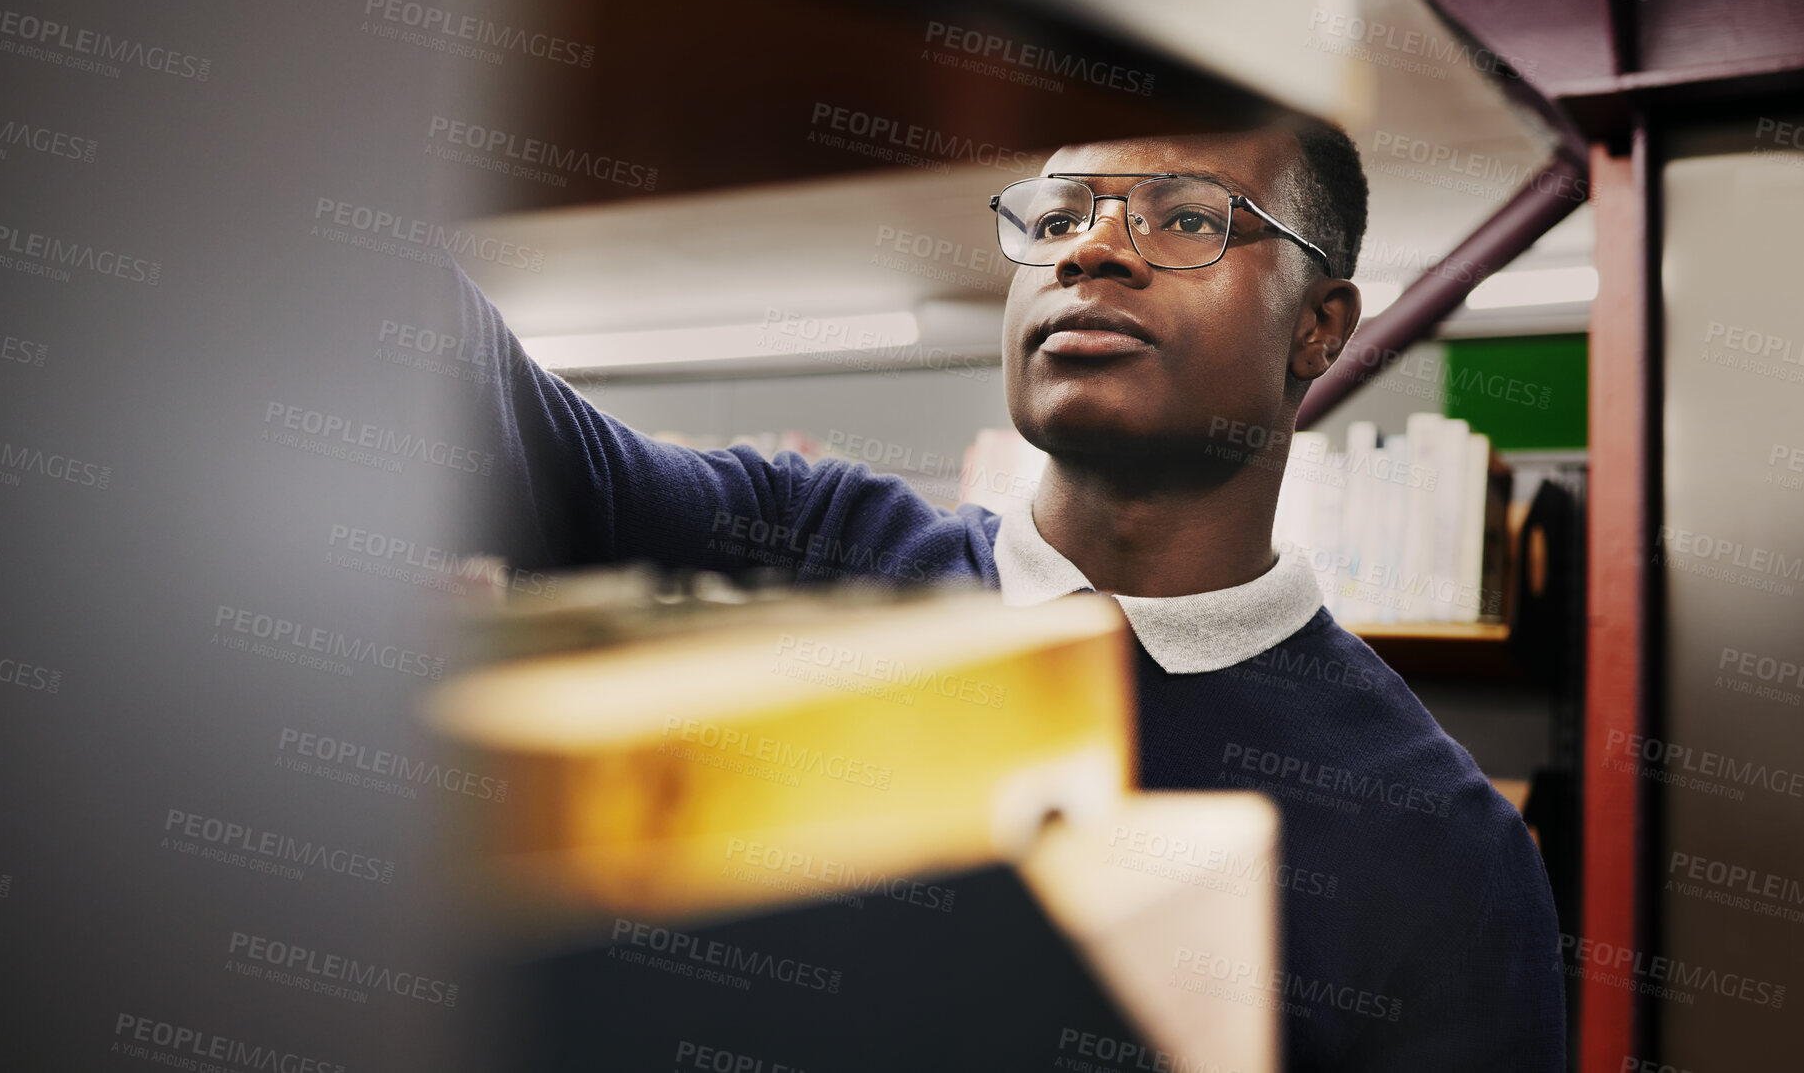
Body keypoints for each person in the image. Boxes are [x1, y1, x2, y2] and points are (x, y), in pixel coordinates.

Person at [456, 115, 1566, 1071]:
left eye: (1182, 218)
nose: (1090, 248)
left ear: (1318, 325)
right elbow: (517, 435)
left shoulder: (1443, 845)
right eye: (1054, 217)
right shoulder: (816, 550)